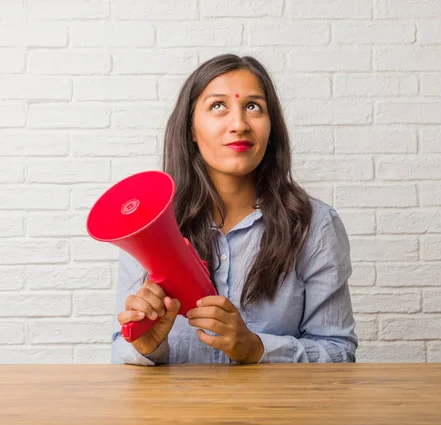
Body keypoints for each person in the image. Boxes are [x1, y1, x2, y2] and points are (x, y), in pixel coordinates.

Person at [111, 54, 358, 365]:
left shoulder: (315, 225)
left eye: (253, 106)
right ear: (190, 128)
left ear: (272, 129)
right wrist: (146, 347)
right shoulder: (149, 227)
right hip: (173, 415)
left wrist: (257, 349)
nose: (239, 124)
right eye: (218, 106)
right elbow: (121, 349)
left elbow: (339, 351)